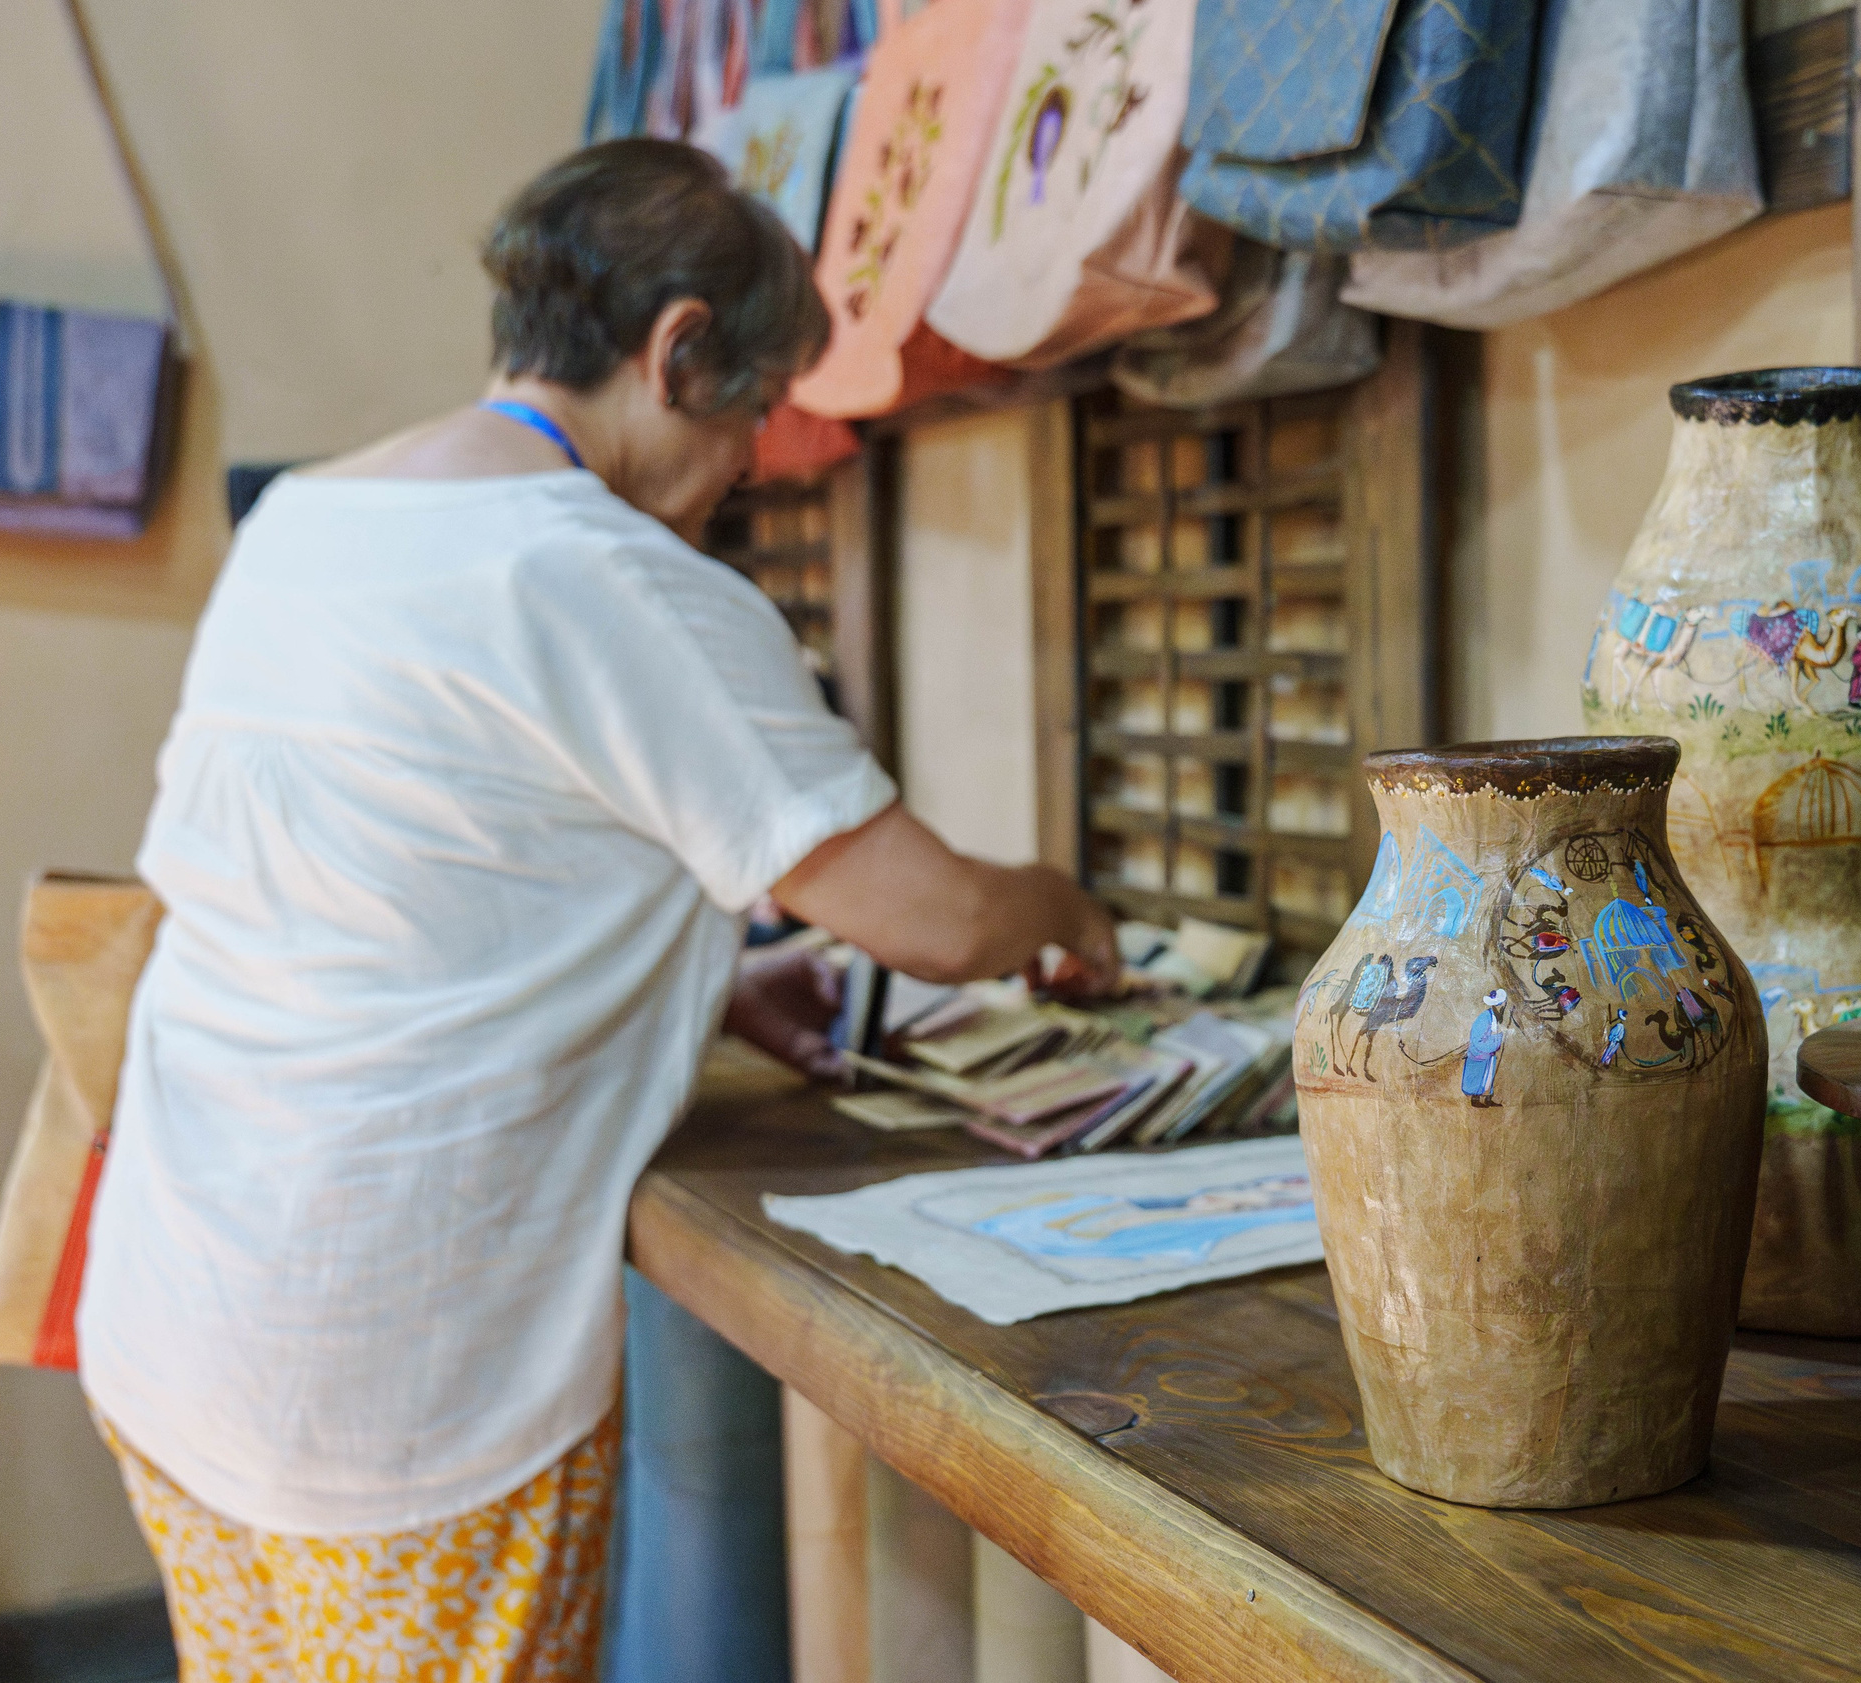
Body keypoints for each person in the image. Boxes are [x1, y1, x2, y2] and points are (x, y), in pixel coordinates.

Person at [73, 140, 1117, 1682]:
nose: (755, 461)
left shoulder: (311, 518)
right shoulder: (609, 575)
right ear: (679, 349)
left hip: (182, 1300)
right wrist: (1065, 901)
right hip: (386, 1376)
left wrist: (705, 987)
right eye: (759, 410)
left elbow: (413, 881)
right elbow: (938, 920)